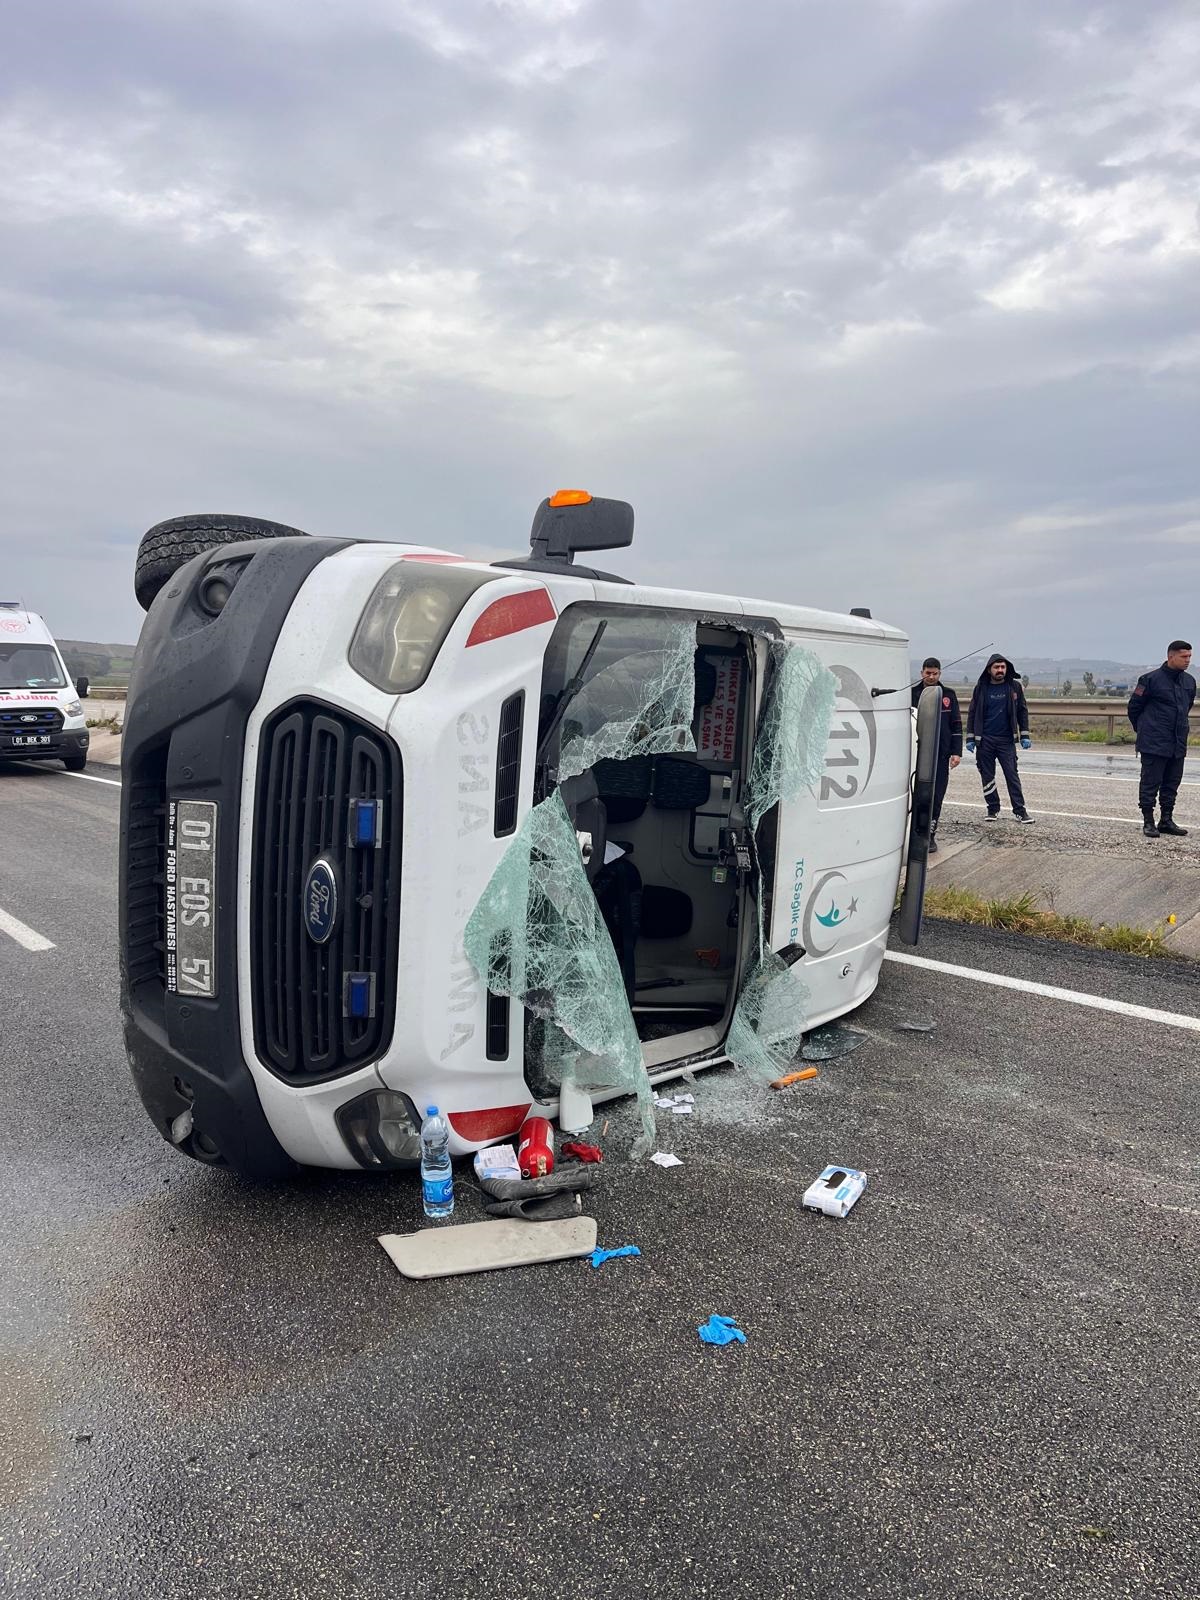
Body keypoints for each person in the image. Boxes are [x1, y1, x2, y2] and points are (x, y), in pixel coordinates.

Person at [1127, 641, 1195, 838]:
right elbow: (1134, 708)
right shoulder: (1149, 679)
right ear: (1171, 656)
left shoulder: (1189, 682)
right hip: (1154, 742)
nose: (1188, 660)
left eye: (1190, 657)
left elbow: (1186, 708)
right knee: (1150, 782)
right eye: (1184, 657)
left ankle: (1166, 819)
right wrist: (1145, 730)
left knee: (1172, 783)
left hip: (1178, 741)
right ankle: (1148, 821)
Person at [965, 653, 1033, 822]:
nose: (1000, 670)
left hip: (1006, 741)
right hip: (985, 740)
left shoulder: (1014, 687)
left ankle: (1020, 810)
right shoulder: (981, 688)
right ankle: (992, 809)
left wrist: (1024, 734)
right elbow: (972, 713)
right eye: (996, 667)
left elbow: (1022, 711)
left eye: (1003, 667)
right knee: (987, 776)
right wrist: (970, 738)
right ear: (989, 670)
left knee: (1012, 775)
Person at [911, 657, 962, 853]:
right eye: (927, 673)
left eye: (935, 673)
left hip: (940, 754)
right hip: (916, 753)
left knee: (936, 796)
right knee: (916, 795)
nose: (931, 677)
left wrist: (956, 752)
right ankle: (914, 832)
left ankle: (929, 835)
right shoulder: (912, 694)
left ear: (940, 674)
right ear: (921, 673)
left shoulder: (948, 695)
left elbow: (956, 725)